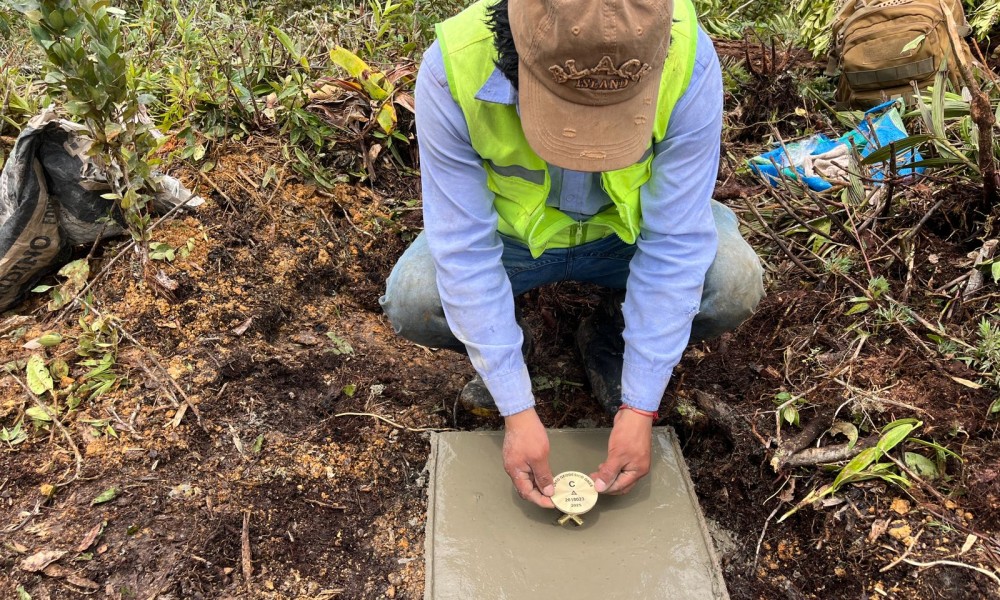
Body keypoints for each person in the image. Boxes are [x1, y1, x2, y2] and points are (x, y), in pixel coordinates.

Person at [380, 0, 764, 508]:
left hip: (623, 240)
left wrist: (640, 407)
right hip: (513, 244)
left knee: (732, 283)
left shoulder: (686, 59)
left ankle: (611, 336)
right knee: (415, 299)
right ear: (514, 53)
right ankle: (511, 345)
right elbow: (464, 249)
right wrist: (516, 407)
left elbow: (675, 242)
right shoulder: (454, 67)